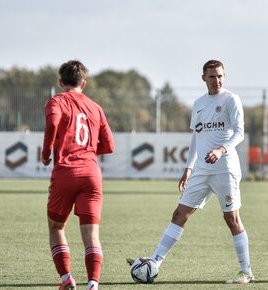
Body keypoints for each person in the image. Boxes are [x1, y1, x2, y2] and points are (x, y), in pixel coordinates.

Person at [128, 60, 254, 284]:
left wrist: (221, 149)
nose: (217, 80)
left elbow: (240, 133)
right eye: (212, 76)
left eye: (220, 76)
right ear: (203, 78)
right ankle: (155, 262)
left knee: (231, 218)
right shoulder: (198, 104)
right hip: (201, 172)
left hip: (225, 169)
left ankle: (246, 271)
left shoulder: (231, 99)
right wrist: (188, 168)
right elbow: (196, 138)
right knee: (179, 214)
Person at [42, 60, 114, 290]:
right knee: (91, 233)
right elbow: (109, 145)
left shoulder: (56, 101)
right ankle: (93, 283)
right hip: (91, 175)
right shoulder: (96, 107)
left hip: (65, 172)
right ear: (84, 83)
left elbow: (53, 122)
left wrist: (47, 153)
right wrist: (89, 151)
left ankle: (66, 279)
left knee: (56, 227)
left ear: (60, 82)